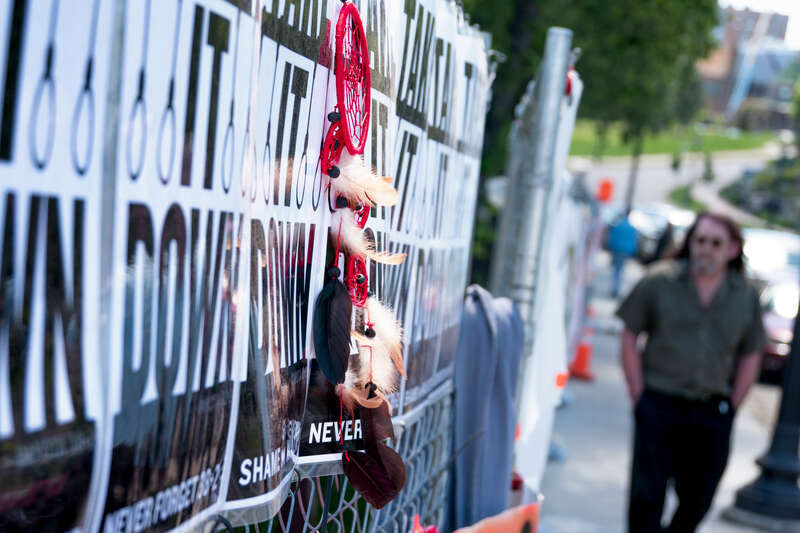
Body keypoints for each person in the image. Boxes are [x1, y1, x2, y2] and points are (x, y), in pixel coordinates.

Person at [616, 212, 766, 532]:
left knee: (699, 498)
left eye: (716, 243)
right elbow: (629, 334)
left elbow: (751, 353)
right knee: (647, 496)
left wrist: (733, 406)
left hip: (711, 410)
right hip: (659, 402)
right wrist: (637, 393)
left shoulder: (746, 294)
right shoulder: (660, 280)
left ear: (732, 249)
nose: (706, 249)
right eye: (700, 240)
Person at [606, 212, 638, 297]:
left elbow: (612, 238)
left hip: (617, 250)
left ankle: (614, 288)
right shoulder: (632, 228)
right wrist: (632, 251)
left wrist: (611, 248)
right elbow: (634, 241)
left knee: (616, 271)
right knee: (621, 271)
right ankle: (617, 289)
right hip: (625, 252)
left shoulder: (618, 226)